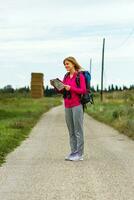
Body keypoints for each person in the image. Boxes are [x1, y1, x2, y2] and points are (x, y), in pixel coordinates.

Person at [51, 56, 86, 161]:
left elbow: (83, 90)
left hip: (77, 105)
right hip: (67, 105)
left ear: (73, 64)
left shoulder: (79, 76)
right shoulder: (66, 76)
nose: (66, 66)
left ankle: (80, 154)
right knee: (71, 131)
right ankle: (73, 152)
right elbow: (63, 91)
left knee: (78, 130)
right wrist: (57, 87)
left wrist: (71, 88)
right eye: (65, 64)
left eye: (67, 64)